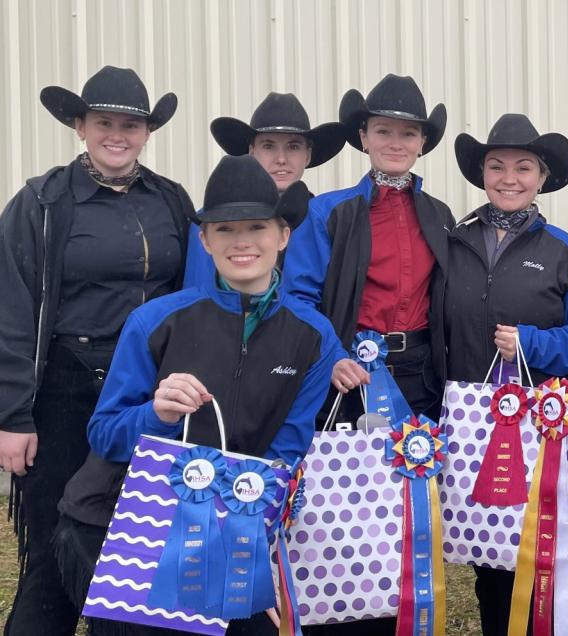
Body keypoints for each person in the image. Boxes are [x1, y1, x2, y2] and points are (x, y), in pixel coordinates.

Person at [53, 154, 341, 634]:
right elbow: (105, 435)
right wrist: (156, 414)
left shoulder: (315, 335)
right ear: (204, 240)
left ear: (283, 236)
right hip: (128, 525)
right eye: (225, 229)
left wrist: (245, 552)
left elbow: (285, 453)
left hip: (236, 528)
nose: (242, 242)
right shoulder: (155, 321)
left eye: (256, 227)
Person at [0, 66, 194, 635]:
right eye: (104, 122)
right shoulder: (40, 203)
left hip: (145, 388)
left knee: (137, 545)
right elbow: (10, 312)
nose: (118, 135)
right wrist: (12, 416)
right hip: (63, 386)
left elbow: (194, 292)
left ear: (147, 133)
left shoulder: (170, 200)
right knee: (59, 541)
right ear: (80, 126)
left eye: (131, 125)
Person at [281, 74, 454, 635]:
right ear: (364, 135)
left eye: (408, 133)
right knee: (347, 502)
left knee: (410, 502)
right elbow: (299, 294)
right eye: (385, 131)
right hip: (351, 373)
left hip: (420, 370)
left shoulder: (441, 214)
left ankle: (404, 613)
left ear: (423, 142)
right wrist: (331, 354)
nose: (397, 142)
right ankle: (341, 613)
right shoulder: (329, 212)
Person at [445, 113, 568, 635]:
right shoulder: (452, 245)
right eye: (497, 166)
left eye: (523, 167)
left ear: (542, 178)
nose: (508, 178)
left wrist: (532, 343)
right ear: (482, 175)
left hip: (537, 431)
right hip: (466, 426)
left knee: (528, 556)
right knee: (483, 552)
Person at [183, 92, 345, 287]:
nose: (281, 159)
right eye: (269, 146)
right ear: (252, 152)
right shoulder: (210, 221)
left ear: (308, 156)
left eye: (293, 147)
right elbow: (197, 298)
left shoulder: (328, 222)